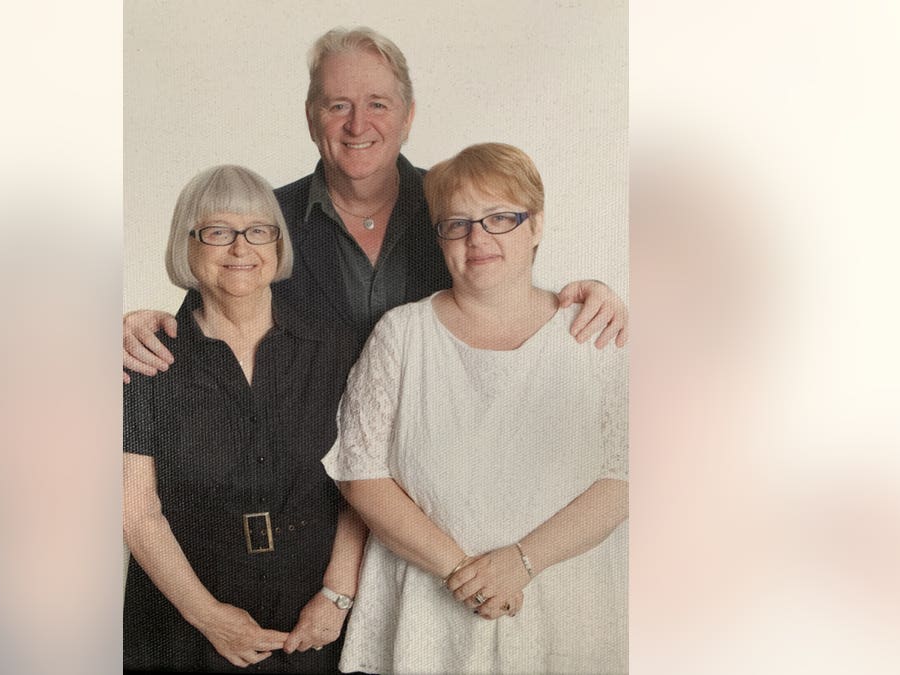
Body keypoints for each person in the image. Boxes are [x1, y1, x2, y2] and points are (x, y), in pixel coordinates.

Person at [122, 27, 628, 383]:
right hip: (303, 486)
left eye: (378, 105)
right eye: (338, 105)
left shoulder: (459, 214)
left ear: (407, 117)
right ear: (311, 118)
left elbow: (517, 292)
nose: (358, 125)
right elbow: (206, 326)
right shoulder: (262, 225)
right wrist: (141, 329)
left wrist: (591, 296)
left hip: (431, 472)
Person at [323, 143, 628, 674]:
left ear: (536, 226)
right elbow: (360, 474)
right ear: (438, 237)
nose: (478, 238)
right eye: (457, 223)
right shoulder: (401, 334)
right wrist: (462, 571)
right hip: (427, 603)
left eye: (500, 218)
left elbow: (625, 476)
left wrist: (521, 563)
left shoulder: (591, 333)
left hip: (562, 600)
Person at [122, 165, 367, 673]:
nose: (241, 248)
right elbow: (136, 511)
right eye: (217, 232)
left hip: (314, 616)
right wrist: (207, 616)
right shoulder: (145, 359)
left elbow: (362, 483)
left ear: (278, 246)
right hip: (181, 623)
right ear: (186, 246)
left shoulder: (336, 349)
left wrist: (337, 596)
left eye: (259, 231)